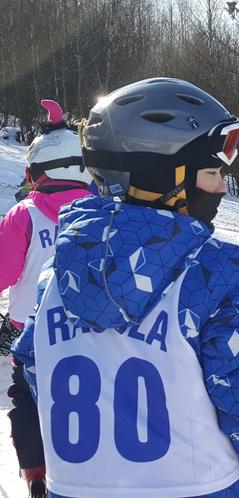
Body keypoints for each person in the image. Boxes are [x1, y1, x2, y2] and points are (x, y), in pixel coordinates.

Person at [12, 78, 239, 498]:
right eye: (211, 173)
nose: (222, 187)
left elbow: (30, 377)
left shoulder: (56, 276)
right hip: (200, 485)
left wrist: (36, 461)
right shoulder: (215, 270)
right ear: (159, 177)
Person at [1, 99, 92, 498]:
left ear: (36, 172)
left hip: (30, 331)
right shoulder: (102, 212)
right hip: (88, 328)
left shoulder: (24, 214)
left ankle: (37, 474)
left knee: (26, 399)